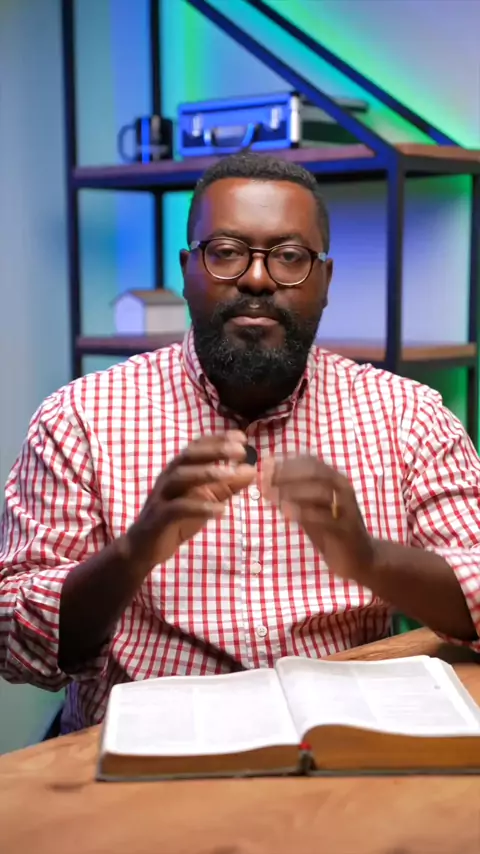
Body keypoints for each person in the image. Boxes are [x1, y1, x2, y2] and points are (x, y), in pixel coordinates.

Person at [1, 152, 480, 734]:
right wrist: (135, 550)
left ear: (325, 281)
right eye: (226, 252)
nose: (256, 279)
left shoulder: (409, 417)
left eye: (290, 256)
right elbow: (14, 642)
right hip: (146, 753)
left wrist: (368, 559)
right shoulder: (80, 418)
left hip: (342, 747)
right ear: (187, 270)